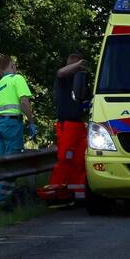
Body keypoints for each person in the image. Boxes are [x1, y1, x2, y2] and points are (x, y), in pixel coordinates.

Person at [41, 54, 90, 203]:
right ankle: (54, 194)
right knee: (65, 160)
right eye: (75, 65)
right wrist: (79, 65)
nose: (78, 68)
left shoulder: (81, 82)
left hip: (80, 126)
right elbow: (61, 72)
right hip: (67, 125)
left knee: (81, 160)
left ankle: (77, 195)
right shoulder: (63, 80)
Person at [0, 54, 36, 208]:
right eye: (15, 65)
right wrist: (31, 122)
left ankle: (0, 198)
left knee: (2, 163)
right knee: (13, 163)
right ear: (12, 66)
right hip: (12, 125)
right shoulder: (17, 79)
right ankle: (4, 200)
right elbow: (24, 102)